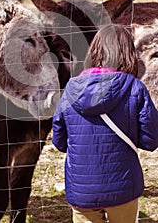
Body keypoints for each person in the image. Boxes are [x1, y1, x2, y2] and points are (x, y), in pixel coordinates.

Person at [52, 24, 158, 223]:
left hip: (81, 188)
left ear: (94, 51)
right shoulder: (135, 88)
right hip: (123, 187)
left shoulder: (70, 90)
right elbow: (151, 140)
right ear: (128, 53)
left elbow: (59, 142)